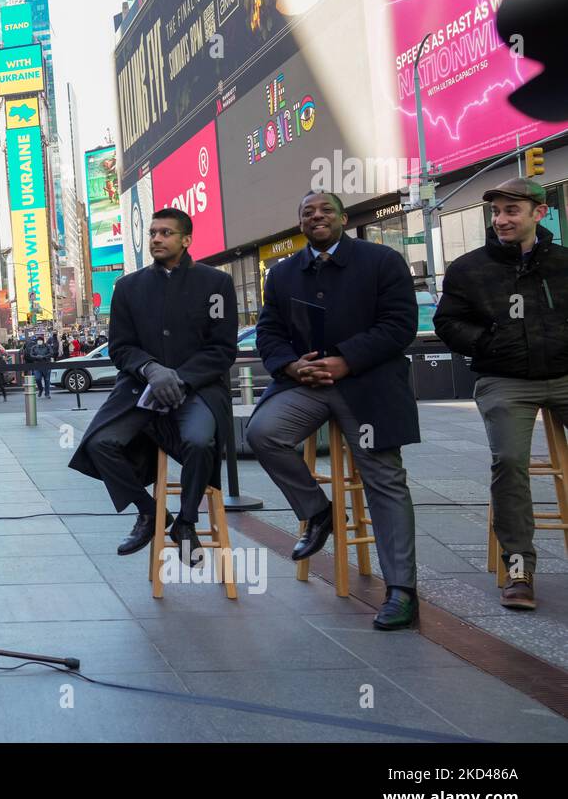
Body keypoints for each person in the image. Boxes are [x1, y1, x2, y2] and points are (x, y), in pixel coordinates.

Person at [245, 189, 420, 631]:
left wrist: (346, 359)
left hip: (368, 386)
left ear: (343, 218)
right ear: (300, 223)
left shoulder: (381, 261)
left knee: (384, 479)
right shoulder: (282, 274)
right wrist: (290, 364)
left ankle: (401, 590)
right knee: (263, 432)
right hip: (307, 385)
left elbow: (400, 326)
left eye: (326, 210)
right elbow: (268, 332)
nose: (316, 216)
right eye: (307, 212)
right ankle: (318, 512)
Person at [69, 208, 238, 563]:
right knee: (100, 443)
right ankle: (151, 513)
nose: (156, 239)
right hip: (139, 390)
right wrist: (150, 369)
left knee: (199, 441)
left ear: (186, 240)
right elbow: (120, 347)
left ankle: (187, 523)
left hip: (198, 390)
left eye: (166, 233)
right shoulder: (127, 287)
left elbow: (222, 350)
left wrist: (179, 378)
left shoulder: (216, 284)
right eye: (152, 233)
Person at [434, 177, 568, 610]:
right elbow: (448, 323)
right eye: (496, 212)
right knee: (510, 461)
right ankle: (518, 567)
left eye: (512, 211)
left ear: (538, 213)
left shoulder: (564, 262)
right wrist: (487, 342)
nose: (501, 220)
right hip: (505, 379)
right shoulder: (469, 268)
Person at [28, 334, 53, 398]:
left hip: (46, 365)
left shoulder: (47, 346)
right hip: (37, 366)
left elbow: (51, 353)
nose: (39, 341)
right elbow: (31, 355)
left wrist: (44, 357)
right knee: (37, 378)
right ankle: (40, 389)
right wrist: (37, 357)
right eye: (38, 340)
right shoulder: (34, 347)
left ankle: (47, 393)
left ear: (43, 341)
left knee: (47, 380)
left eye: (40, 340)